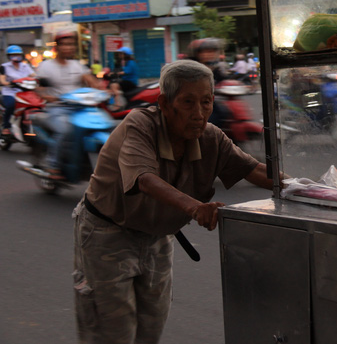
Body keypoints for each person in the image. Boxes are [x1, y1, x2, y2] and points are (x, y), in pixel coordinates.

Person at [72, 60, 282, 344]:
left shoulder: (211, 137)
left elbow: (256, 171)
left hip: (157, 237)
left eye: (206, 102)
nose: (199, 113)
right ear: (164, 103)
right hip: (107, 233)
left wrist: (314, 189)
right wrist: (195, 207)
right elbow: (144, 177)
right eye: (187, 102)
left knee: (151, 327)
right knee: (112, 332)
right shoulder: (140, 124)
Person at [36, 29, 103, 178]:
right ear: (57, 47)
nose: (69, 47)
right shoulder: (46, 66)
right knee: (65, 130)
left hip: (79, 108)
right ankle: (53, 164)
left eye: (72, 44)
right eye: (65, 44)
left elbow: (91, 80)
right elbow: (39, 89)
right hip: (57, 108)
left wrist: (101, 88)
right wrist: (48, 97)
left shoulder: (76, 65)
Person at [1, 45, 36, 136]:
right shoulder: (4, 67)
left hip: (25, 92)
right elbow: (2, 80)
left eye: (18, 54)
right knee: (11, 105)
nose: (16, 56)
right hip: (10, 93)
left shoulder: (25, 66)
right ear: (9, 56)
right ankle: (6, 126)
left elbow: (34, 75)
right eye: (13, 55)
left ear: (21, 55)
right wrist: (9, 83)